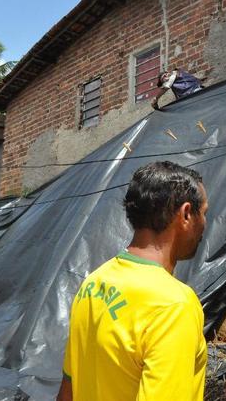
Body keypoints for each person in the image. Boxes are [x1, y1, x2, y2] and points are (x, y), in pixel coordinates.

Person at [58, 161, 209, 401]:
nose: (205, 224)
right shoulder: (173, 305)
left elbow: (68, 390)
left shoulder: (93, 283)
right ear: (186, 214)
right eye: (204, 213)